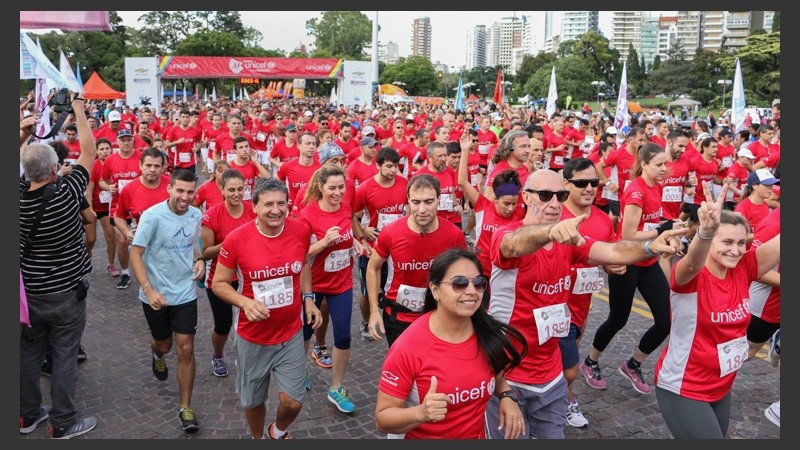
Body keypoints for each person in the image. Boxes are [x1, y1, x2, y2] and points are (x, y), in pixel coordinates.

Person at [484, 168, 685, 439]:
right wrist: (550, 232)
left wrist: (650, 246)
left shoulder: (568, 240)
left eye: (561, 196)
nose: (555, 203)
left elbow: (612, 250)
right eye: (545, 195)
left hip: (550, 375)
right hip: (509, 376)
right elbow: (513, 245)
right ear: (526, 197)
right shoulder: (507, 234)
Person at [654, 184, 780, 439]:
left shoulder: (744, 266)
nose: (735, 250)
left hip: (722, 385)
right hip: (684, 387)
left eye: (742, 243)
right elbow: (692, 260)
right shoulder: (690, 276)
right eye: (727, 242)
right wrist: (705, 233)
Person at [211, 177, 322, 439]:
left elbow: (303, 264)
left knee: (293, 401)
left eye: (281, 204)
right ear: (255, 208)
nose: (276, 210)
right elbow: (219, 283)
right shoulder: (237, 239)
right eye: (268, 204)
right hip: (253, 337)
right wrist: (244, 302)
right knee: (253, 401)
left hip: (290, 333)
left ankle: (278, 430)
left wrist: (308, 297)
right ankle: (258, 438)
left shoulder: (300, 232)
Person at [375, 249, 527, 439]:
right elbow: (382, 418)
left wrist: (506, 396)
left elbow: (494, 372)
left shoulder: (486, 331)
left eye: (478, 283)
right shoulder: (409, 346)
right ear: (435, 290)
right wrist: (420, 413)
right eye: (459, 284)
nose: (471, 291)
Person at [20, 93, 98, 439]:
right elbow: (89, 152)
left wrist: (22, 135)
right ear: (55, 169)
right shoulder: (68, 192)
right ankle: (63, 422)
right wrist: (79, 110)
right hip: (66, 293)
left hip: (28, 293)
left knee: (28, 353)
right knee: (65, 355)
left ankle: (27, 415)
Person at [581, 143, 684, 396]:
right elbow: (629, 234)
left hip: (648, 261)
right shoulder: (636, 190)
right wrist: (662, 230)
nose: (664, 169)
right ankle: (591, 361)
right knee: (618, 318)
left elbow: (651, 224)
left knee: (665, 321)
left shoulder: (656, 186)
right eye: (659, 164)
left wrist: (668, 233)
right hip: (626, 261)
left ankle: (633, 364)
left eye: (665, 164)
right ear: (645, 164)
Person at [128, 168, 204, 434]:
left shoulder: (196, 215)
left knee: (186, 348)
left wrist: (200, 260)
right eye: (180, 190)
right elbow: (135, 254)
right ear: (169, 189)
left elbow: (194, 246)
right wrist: (149, 291)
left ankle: (185, 407)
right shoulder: (152, 217)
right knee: (165, 344)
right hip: (156, 294)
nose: (185, 197)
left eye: (190, 191)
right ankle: (156, 352)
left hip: (185, 292)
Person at [366, 174, 468, 346]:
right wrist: (374, 310)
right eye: (416, 202)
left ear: (438, 200)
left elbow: (464, 274)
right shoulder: (391, 233)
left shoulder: (454, 235)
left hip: (437, 317)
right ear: (408, 201)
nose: (422, 209)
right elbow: (373, 268)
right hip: (398, 318)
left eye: (428, 202)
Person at [558, 157, 621, 429]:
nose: (589, 188)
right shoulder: (555, 215)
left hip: (582, 302)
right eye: (581, 183)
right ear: (566, 184)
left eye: (593, 182)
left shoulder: (603, 220)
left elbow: (612, 252)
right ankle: (564, 401)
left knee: (567, 359)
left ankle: (558, 399)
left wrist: (612, 264)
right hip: (552, 303)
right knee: (567, 366)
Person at [297, 165, 365, 413]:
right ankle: (300, 367)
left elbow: (346, 234)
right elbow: (300, 254)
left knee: (344, 336)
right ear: (320, 187)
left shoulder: (346, 208)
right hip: (314, 283)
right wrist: (325, 242)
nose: (337, 193)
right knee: (305, 333)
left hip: (341, 283)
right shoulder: (307, 215)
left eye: (341, 188)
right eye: (332, 188)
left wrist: (354, 242)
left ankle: (337, 387)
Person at [200, 168, 257, 378]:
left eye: (240, 189)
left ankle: (249, 357)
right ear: (221, 190)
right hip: (220, 278)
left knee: (252, 319)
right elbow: (206, 253)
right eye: (231, 189)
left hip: (248, 276)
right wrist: (230, 244)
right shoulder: (212, 215)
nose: (236, 194)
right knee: (222, 325)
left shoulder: (253, 211)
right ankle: (217, 354)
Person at [456, 134, 524, 306]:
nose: (510, 208)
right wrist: (465, 150)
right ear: (495, 199)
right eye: (506, 203)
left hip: (507, 276)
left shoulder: (522, 214)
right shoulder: (483, 205)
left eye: (514, 203)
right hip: (482, 274)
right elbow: (463, 181)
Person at [353, 147, 409, 341]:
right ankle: (366, 320)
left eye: (396, 166)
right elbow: (351, 214)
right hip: (372, 247)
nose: (393, 170)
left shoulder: (404, 184)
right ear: (377, 166)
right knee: (368, 289)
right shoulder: (366, 188)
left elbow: (408, 211)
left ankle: (389, 318)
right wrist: (362, 233)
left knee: (392, 286)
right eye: (388, 166)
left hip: (396, 247)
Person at [86, 137, 119, 277]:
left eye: (107, 148)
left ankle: (110, 264)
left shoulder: (115, 163)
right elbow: (89, 188)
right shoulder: (93, 165)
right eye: (102, 149)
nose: (105, 151)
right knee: (91, 239)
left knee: (111, 237)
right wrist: (89, 208)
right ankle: (87, 257)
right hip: (93, 206)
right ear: (97, 152)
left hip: (108, 207)